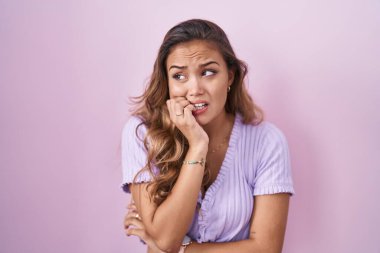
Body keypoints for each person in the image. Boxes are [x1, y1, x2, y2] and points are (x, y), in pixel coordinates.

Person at [122, 19, 295, 253]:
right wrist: (197, 145)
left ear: (230, 77)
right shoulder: (142, 133)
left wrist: (182, 249)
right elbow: (165, 238)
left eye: (208, 72)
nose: (194, 89)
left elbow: (266, 249)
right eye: (179, 76)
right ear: (167, 82)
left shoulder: (267, 141)